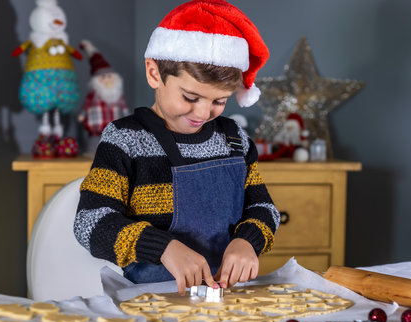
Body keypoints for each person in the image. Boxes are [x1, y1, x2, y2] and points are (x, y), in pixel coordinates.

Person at [74, 0, 279, 295]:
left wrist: (248, 240)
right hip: (150, 298)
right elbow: (89, 222)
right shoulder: (126, 140)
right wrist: (163, 248)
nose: (203, 113)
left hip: (224, 299)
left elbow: (263, 207)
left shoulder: (234, 139)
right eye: (190, 97)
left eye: (219, 101)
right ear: (155, 73)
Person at [78, 39, 129, 154]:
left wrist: (128, 119)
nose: (107, 80)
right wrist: (82, 115)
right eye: (103, 77)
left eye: (109, 76)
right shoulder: (93, 95)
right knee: (95, 147)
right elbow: (86, 105)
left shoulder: (118, 95)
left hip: (115, 130)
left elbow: (124, 109)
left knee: (114, 147)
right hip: (96, 130)